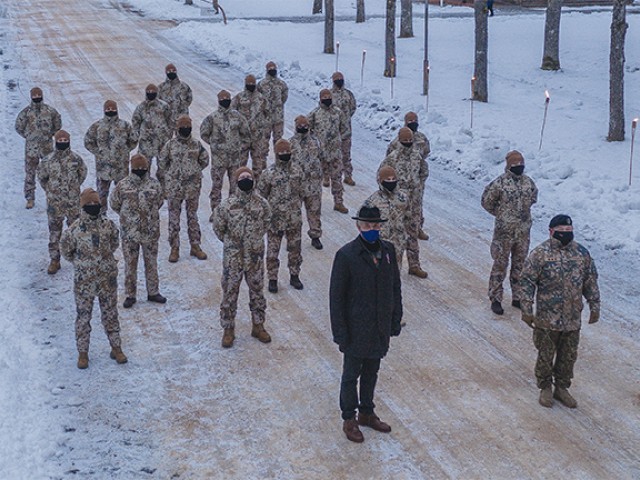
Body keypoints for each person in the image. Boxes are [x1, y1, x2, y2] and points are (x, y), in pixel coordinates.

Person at [330, 205, 402, 443]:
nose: (373, 230)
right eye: (368, 226)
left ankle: (367, 413)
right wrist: (340, 332)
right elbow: (336, 298)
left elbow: (395, 288)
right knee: (351, 374)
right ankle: (349, 418)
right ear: (358, 226)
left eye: (376, 226)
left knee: (372, 370)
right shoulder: (347, 255)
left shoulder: (389, 251)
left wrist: (395, 318)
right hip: (355, 327)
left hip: (379, 325)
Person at [520, 214, 600, 409]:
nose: (566, 235)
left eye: (569, 231)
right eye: (561, 231)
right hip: (547, 319)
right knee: (545, 354)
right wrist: (527, 308)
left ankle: (562, 387)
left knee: (569, 356)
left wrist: (594, 304)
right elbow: (527, 281)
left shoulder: (582, 253)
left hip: (572, 318)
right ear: (551, 231)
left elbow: (590, 280)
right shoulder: (540, 254)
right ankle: (545, 386)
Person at [60, 188, 126, 369]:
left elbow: (114, 243)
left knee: (111, 314)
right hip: (85, 281)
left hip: (106, 278)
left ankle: (116, 347)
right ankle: (83, 353)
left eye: (95, 203)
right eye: (89, 204)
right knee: (83, 316)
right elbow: (66, 251)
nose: (93, 207)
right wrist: (82, 263)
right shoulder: (74, 229)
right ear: (82, 206)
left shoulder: (108, 225)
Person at [212, 167, 272, 348]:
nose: (246, 179)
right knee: (230, 293)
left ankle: (258, 325)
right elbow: (218, 228)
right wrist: (232, 243)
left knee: (257, 292)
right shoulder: (227, 205)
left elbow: (267, 222)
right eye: (242, 177)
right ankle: (228, 329)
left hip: (254, 257)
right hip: (234, 259)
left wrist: (254, 240)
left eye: (249, 177)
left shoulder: (262, 204)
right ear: (236, 181)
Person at [481, 150, 538, 315]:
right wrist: (502, 215)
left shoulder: (528, 182)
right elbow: (486, 202)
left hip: (523, 233)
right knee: (500, 265)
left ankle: (517, 296)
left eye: (522, 164)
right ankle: (496, 297)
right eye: (516, 165)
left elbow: (533, 198)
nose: (519, 167)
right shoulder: (500, 183)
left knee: (520, 265)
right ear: (509, 166)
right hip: (503, 234)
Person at [110, 153, 166, 308]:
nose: (140, 170)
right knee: (130, 264)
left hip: (150, 231)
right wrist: (128, 219)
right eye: (137, 168)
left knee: (151, 263)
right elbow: (114, 204)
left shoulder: (154, 185)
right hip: (130, 233)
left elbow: (159, 201)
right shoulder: (122, 185)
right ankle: (130, 294)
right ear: (131, 168)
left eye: (143, 168)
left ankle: (153, 292)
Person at [158, 115, 210, 263]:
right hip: (174, 188)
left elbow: (204, 160)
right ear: (177, 128)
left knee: (192, 217)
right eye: (183, 127)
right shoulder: (170, 145)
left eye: (188, 127)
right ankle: (174, 248)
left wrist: (194, 170)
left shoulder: (196, 144)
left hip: (192, 187)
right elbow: (162, 163)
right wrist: (173, 174)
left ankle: (195, 246)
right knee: (174, 219)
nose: (185, 130)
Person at [379, 127, 428, 278]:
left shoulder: (417, 156)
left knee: (412, 234)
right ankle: (392, 267)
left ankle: (414, 265)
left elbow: (424, 172)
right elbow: (381, 176)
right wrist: (390, 193)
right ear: (399, 140)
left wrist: (418, 187)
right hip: (396, 206)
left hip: (413, 204)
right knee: (395, 236)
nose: (407, 143)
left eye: (410, 140)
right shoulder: (392, 158)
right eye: (404, 140)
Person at [37, 130, 88, 274]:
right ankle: (55, 260)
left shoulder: (76, 159)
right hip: (55, 204)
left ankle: (78, 258)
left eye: (65, 140)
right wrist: (50, 190)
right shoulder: (48, 160)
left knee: (76, 231)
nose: (63, 142)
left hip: (73, 203)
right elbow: (42, 177)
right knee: (54, 233)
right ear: (55, 141)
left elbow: (82, 173)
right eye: (60, 140)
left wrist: (73, 188)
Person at [258, 139, 304, 293]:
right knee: (272, 252)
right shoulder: (268, 174)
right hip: (275, 221)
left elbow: (303, 191)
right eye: (282, 153)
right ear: (277, 154)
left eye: (287, 152)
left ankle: (294, 275)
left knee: (295, 249)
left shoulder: (297, 171)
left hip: (294, 219)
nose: (286, 155)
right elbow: (261, 196)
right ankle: (272, 278)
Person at [200, 89, 251, 220]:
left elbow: (246, 133)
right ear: (219, 101)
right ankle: (216, 212)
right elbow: (204, 132)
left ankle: (232, 211)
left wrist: (241, 146)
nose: (225, 101)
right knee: (216, 186)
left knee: (235, 187)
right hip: (219, 160)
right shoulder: (213, 117)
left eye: (227, 99)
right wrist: (214, 145)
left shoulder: (237, 116)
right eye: (223, 99)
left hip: (234, 159)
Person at [84, 100, 138, 211]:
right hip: (103, 169)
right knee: (101, 195)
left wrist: (125, 151)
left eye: (112, 108)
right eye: (108, 109)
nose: (110, 111)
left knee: (123, 194)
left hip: (121, 168)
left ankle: (124, 214)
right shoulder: (97, 126)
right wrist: (98, 152)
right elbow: (88, 141)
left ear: (116, 109)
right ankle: (102, 216)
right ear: (104, 110)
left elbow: (134, 139)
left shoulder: (125, 125)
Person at [15, 87, 62, 209]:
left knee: (51, 173)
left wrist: (51, 134)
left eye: (38, 95)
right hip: (31, 149)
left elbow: (58, 123)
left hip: (47, 148)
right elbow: (18, 126)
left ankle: (52, 197)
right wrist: (28, 136)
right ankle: (30, 198)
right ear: (31, 97)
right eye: (34, 96)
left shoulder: (50, 111)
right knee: (30, 173)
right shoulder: (26, 112)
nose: (37, 98)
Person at [386, 111, 431, 240]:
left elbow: (425, 156)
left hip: (416, 182)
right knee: (400, 208)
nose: (413, 123)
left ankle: (417, 229)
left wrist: (420, 180)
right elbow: (388, 163)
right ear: (405, 122)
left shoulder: (422, 139)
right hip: (400, 184)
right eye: (410, 121)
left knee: (417, 207)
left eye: (415, 120)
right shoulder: (396, 143)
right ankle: (398, 230)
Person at [308, 89, 348, 214]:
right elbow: (305, 130)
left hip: (335, 153)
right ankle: (315, 205)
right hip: (320, 154)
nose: (327, 98)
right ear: (320, 98)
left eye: (328, 96)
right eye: (324, 96)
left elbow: (344, 128)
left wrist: (338, 142)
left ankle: (339, 202)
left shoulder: (338, 113)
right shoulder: (315, 113)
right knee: (316, 180)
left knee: (337, 178)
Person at [289, 115, 323, 250]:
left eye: (305, 126)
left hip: (313, 184)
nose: (302, 128)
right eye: (300, 126)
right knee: (293, 214)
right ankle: (293, 240)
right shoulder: (290, 143)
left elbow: (322, 158)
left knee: (314, 212)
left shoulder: (315, 142)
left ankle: (315, 236)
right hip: (295, 185)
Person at [364, 166, 410, 267]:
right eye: (388, 179)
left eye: (393, 179)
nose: (391, 182)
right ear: (381, 181)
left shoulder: (402, 198)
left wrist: (405, 234)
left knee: (396, 271)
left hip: (398, 243)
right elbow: (363, 222)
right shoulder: (373, 200)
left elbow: (408, 217)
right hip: (380, 243)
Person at [231, 74, 270, 180]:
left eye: (253, 84)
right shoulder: (239, 97)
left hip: (257, 137)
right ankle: (239, 186)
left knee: (258, 163)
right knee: (240, 164)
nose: (251, 86)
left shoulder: (261, 99)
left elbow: (267, 113)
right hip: (243, 137)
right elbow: (231, 113)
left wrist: (262, 128)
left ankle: (257, 187)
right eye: (249, 84)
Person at [131, 84, 172, 165]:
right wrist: (137, 134)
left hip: (162, 140)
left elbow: (170, 120)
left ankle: (162, 177)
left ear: (157, 93)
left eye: (153, 92)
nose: (151, 93)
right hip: (146, 141)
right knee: (143, 164)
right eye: (149, 92)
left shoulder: (164, 106)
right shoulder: (141, 107)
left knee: (164, 165)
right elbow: (136, 121)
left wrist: (169, 133)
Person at [330, 72, 357, 186]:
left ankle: (348, 176)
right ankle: (331, 176)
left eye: (341, 79)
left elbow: (353, 108)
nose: (339, 81)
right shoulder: (329, 95)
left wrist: (345, 119)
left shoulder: (348, 94)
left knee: (346, 155)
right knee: (331, 155)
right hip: (332, 132)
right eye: (337, 80)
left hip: (346, 132)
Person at [257, 61, 288, 150]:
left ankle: (278, 162)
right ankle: (261, 163)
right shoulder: (261, 84)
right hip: (265, 118)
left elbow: (284, 96)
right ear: (267, 70)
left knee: (279, 143)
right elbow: (257, 98)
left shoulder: (281, 84)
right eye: (270, 69)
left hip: (278, 118)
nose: (272, 71)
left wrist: (278, 105)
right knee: (263, 142)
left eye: (274, 69)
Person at [158, 63, 193, 130]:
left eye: (173, 71)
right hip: (167, 119)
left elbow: (190, 98)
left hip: (181, 119)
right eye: (169, 71)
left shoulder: (184, 86)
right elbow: (157, 102)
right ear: (166, 73)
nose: (171, 73)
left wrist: (183, 106)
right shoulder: (161, 88)